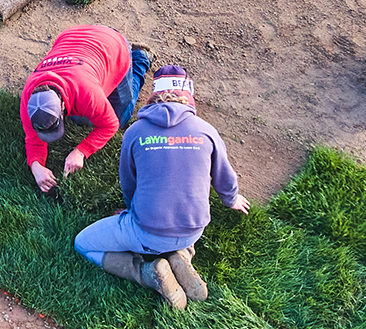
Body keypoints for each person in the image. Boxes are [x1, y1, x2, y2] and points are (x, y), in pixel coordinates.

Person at [74, 64, 249, 310]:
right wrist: (231, 199)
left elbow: (129, 182)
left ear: (153, 97)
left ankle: (146, 273)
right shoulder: (207, 131)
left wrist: (130, 212)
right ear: (189, 98)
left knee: (83, 244)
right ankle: (182, 255)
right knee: (181, 224)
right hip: (193, 230)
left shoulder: (135, 132)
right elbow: (225, 177)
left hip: (146, 231)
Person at [21, 25, 154, 194]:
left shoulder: (86, 93)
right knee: (81, 117)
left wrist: (81, 151)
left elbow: (110, 125)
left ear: (62, 105)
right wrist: (36, 167)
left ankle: (140, 58)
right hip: (72, 36)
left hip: (113, 46)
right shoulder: (28, 98)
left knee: (121, 117)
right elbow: (33, 139)